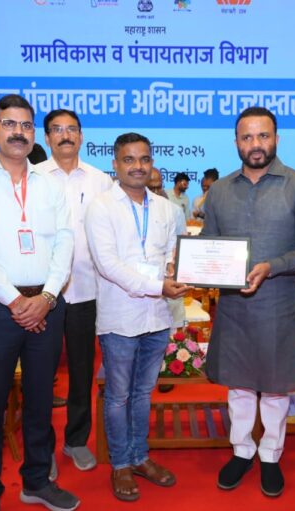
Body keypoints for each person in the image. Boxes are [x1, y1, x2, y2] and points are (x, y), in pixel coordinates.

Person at [0, 94, 78, 511]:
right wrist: (16, 303)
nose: (18, 132)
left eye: (25, 125)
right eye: (9, 124)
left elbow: (65, 241)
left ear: (33, 133)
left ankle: (37, 481)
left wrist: (46, 297)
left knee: (41, 402)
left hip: (47, 304)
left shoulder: (50, 183)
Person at [202, 107, 295, 497]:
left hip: (278, 304)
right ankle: (242, 450)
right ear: (236, 142)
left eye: (263, 136)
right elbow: (208, 244)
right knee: (238, 386)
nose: (255, 144)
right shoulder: (220, 190)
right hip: (233, 306)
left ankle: (271, 454)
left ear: (276, 138)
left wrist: (273, 267)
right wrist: (192, 263)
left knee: (275, 388)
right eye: (247, 137)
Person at [84, 132, 190, 502]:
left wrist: (175, 269)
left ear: (152, 163)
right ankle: (120, 464)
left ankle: (140, 457)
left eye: (144, 159)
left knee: (144, 393)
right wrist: (159, 284)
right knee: (118, 396)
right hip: (120, 316)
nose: (138, 166)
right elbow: (108, 264)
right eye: (129, 159)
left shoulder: (165, 208)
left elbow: (172, 252)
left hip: (157, 316)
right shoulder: (101, 207)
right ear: (115, 164)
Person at [35, 108, 112, 475]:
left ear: (81, 137)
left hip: (87, 290)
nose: (65, 135)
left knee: (82, 372)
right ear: (46, 138)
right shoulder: (32, 178)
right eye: (57, 130)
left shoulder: (101, 181)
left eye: (71, 130)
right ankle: (42, 450)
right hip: (41, 295)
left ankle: (76, 440)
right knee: (40, 375)